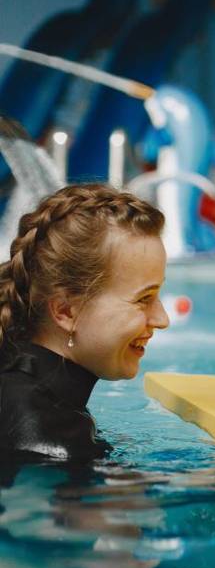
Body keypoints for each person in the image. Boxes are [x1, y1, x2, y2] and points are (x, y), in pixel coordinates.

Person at [0, 184, 169, 460]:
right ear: (66, 312)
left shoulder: (21, 390)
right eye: (143, 299)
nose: (163, 319)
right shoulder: (46, 439)